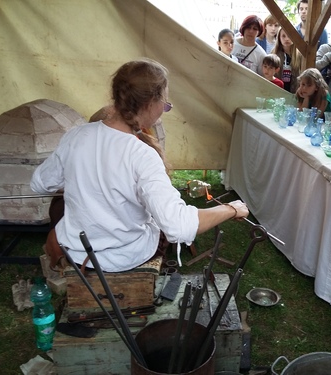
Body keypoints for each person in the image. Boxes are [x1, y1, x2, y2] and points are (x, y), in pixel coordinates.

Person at [30, 59, 249, 272]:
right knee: (159, 230)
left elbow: (40, 184)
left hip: (78, 253)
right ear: (149, 103)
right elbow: (178, 226)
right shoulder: (142, 155)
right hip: (124, 258)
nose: (164, 108)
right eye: (164, 103)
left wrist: (86, 182)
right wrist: (231, 208)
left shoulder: (77, 135)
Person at [272, 28, 303, 93]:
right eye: (283, 36)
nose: (287, 39)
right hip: (277, 91)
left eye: (289, 36)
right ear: (279, 38)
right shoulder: (274, 54)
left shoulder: (300, 55)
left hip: (294, 92)